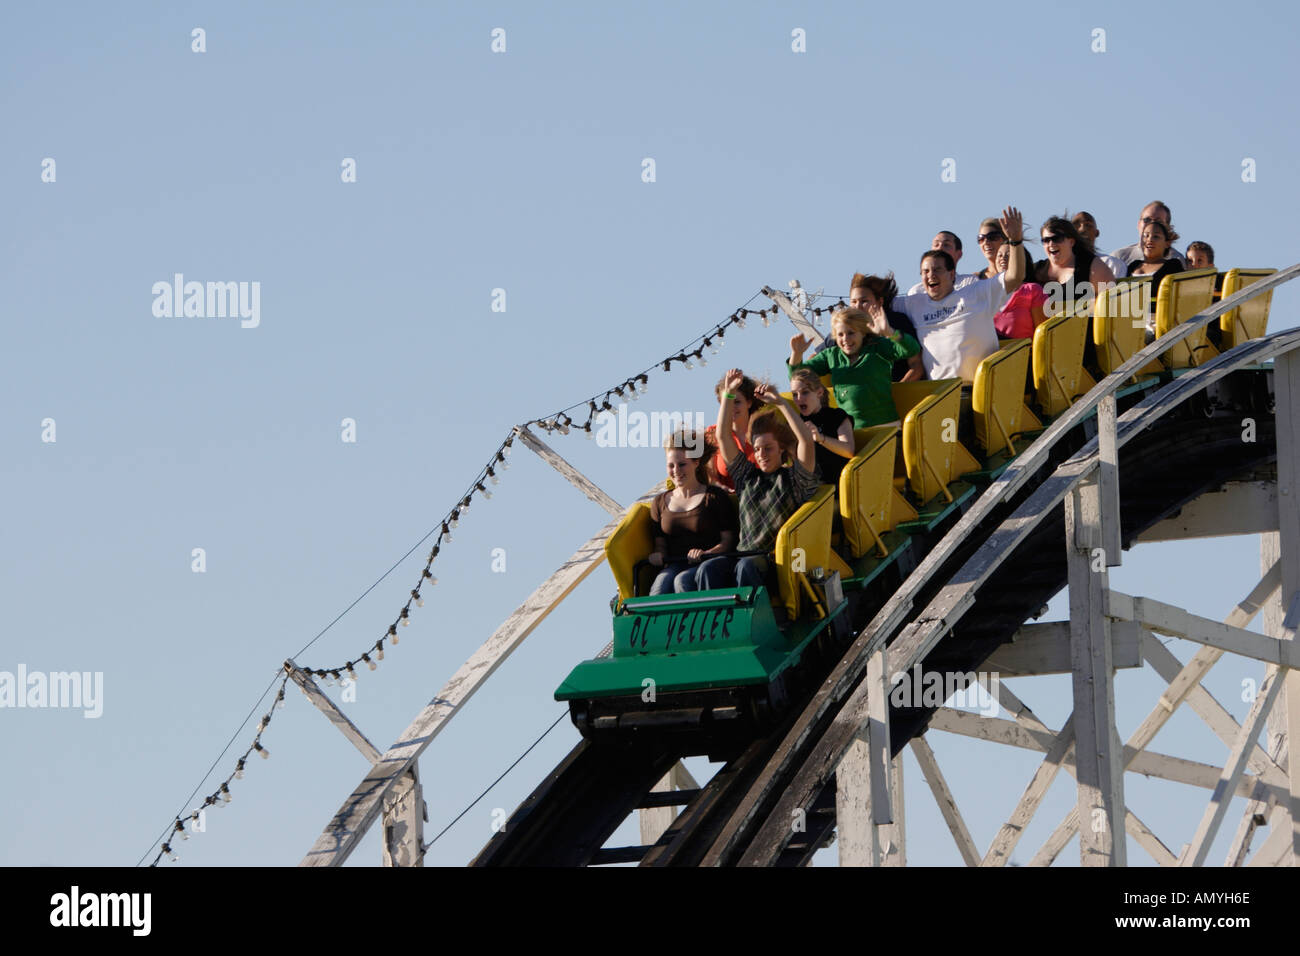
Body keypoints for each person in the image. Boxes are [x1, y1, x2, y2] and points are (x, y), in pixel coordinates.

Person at [890, 206, 1026, 384]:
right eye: (925, 271)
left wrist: (1015, 241)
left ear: (952, 274)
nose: (931, 275)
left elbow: (1015, 277)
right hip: (939, 395)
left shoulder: (975, 291)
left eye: (938, 270)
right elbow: (876, 305)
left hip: (978, 390)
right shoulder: (914, 302)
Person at [715, 369, 821, 595]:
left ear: (781, 448)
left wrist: (781, 403)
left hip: (778, 563)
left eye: (768, 448)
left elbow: (805, 442)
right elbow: (723, 436)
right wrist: (729, 394)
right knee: (708, 569)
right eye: (757, 449)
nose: (761, 454)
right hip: (743, 558)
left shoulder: (795, 479)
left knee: (745, 566)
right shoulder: (747, 477)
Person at [787, 305, 920, 428]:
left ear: (862, 332)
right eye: (840, 334)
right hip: (851, 430)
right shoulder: (831, 355)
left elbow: (911, 349)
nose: (845, 339)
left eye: (851, 333)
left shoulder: (877, 347)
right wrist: (796, 355)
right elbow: (798, 378)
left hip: (885, 426)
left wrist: (890, 332)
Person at [646, 431, 738, 594]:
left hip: (710, 563)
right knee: (661, 584)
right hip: (676, 563)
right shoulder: (659, 502)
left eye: (682, 465)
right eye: (671, 466)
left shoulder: (715, 497)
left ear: (696, 462)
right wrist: (657, 555)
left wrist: (706, 553)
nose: (676, 471)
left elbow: (728, 542)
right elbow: (660, 545)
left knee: (683, 581)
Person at [1035, 215, 1115, 317]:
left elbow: (1112, 303)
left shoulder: (1092, 267)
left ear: (1071, 242)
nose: (1051, 243)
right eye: (1046, 240)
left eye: (1057, 238)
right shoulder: (1038, 270)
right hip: (1044, 331)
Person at [789, 368, 855, 487]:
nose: (799, 399)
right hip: (810, 490)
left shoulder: (836, 416)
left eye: (805, 392)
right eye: (795, 394)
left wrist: (821, 438)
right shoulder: (796, 423)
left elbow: (849, 450)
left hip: (836, 487)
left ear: (819, 392)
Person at [703, 371, 760, 492]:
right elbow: (709, 477)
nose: (732, 407)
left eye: (737, 402)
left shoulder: (762, 429)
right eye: (727, 402)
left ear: (749, 403)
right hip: (729, 502)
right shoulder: (712, 434)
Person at [1127, 220, 1184, 335]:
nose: (1150, 240)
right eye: (1146, 236)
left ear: (1167, 243)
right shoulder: (1132, 265)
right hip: (1128, 322)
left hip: (1156, 324)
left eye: (1156, 236)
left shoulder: (1172, 266)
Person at [991, 243, 1048, 339]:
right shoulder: (989, 293)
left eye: (1009, 254)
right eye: (999, 255)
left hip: (1025, 352)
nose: (1003, 258)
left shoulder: (1033, 290)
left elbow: (1043, 333)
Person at [1110, 201, 1188, 268]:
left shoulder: (1176, 259)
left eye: (1158, 221)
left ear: (1168, 227)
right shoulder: (1119, 258)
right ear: (1138, 224)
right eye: (1147, 220)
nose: (1151, 224)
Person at [906, 231, 979, 294]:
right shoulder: (917, 292)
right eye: (936, 245)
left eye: (946, 245)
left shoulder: (969, 283)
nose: (940, 248)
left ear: (959, 254)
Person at [1070, 211, 1127, 279]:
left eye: (1088, 225)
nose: (1082, 229)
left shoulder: (1111, 264)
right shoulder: (1058, 266)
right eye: (1076, 225)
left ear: (1096, 233)